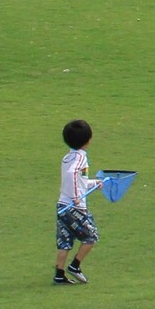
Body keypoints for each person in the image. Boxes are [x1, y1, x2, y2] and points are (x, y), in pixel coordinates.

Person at [54, 119, 98, 285]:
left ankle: (59, 273)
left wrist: (94, 183)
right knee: (91, 236)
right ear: (88, 140)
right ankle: (75, 266)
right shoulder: (81, 157)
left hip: (62, 205)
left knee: (64, 241)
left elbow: (78, 180)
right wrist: (76, 198)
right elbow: (74, 175)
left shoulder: (67, 157)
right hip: (75, 207)